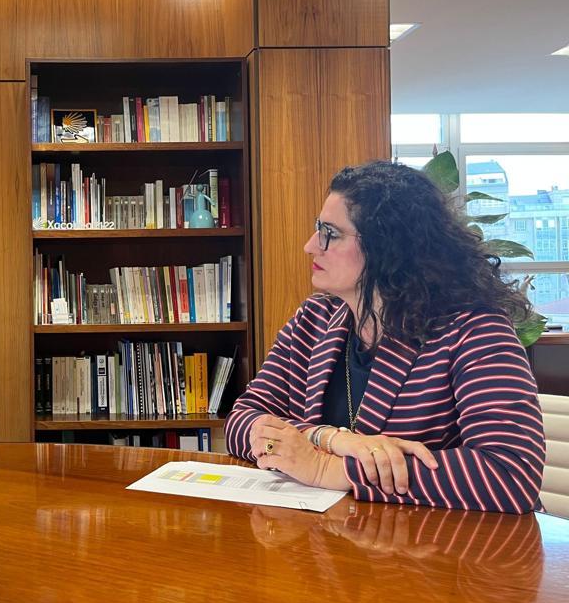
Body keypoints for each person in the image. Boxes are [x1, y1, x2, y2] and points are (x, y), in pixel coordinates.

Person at [224, 160, 546, 513]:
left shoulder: (474, 328)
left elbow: (512, 474)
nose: (311, 246)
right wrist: (328, 438)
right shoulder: (314, 319)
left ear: (387, 247)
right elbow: (243, 418)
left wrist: (330, 468)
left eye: (331, 233)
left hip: (447, 554)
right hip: (337, 544)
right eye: (319, 229)